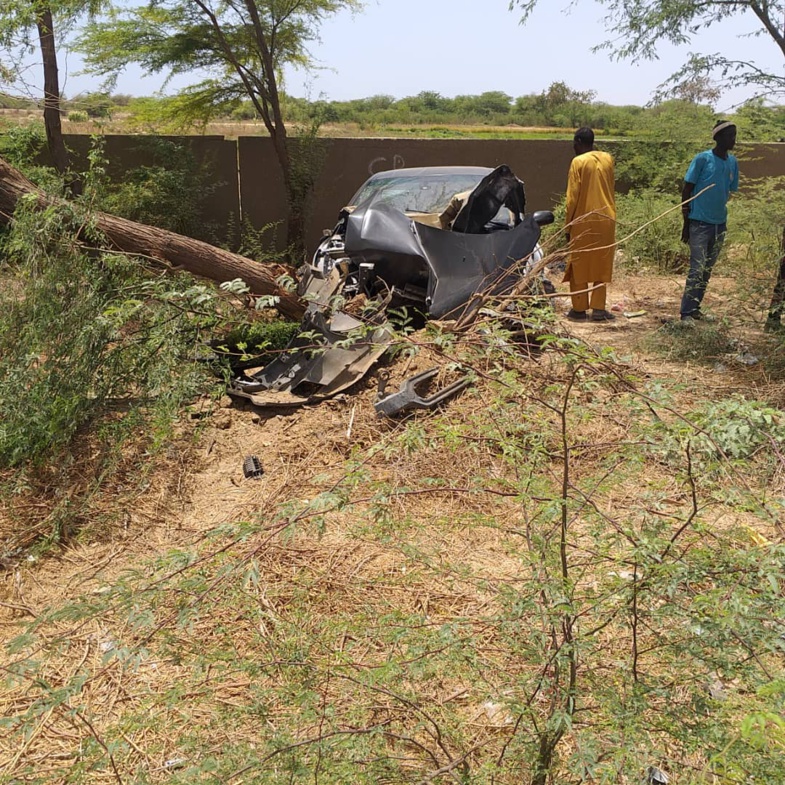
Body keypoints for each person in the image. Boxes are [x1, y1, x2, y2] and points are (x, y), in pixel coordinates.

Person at [680, 121, 739, 322]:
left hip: (719, 224)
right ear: (718, 138)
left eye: (734, 135)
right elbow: (687, 190)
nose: (733, 139)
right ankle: (686, 313)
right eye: (730, 135)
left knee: (707, 270)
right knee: (697, 268)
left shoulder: (732, 162)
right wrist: (686, 225)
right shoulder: (703, 159)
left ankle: (696, 308)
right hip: (699, 224)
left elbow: (728, 189)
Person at [564, 127, 617, 322]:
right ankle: (598, 310)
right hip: (607, 219)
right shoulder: (608, 159)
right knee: (601, 264)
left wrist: (568, 225)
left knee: (579, 263)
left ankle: (578, 310)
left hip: (583, 219)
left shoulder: (578, 162)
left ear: (578, 141)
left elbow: (572, 198)